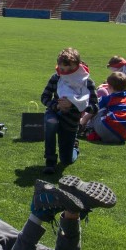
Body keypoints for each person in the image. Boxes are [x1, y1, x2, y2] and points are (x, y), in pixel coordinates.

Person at [41, 47, 97, 175]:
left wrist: (73, 104)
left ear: (78, 66)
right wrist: (57, 106)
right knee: (51, 121)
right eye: (62, 69)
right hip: (55, 113)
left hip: (71, 121)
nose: (65, 72)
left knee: (66, 160)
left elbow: (95, 107)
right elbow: (44, 98)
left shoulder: (86, 82)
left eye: (70, 69)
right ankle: (50, 160)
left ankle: (74, 147)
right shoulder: (56, 78)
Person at [83, 72, 126, 144]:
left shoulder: (107, 99)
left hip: (104, 130)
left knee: (97, 108)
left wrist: (83, 121)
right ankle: (93, 132)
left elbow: (93, 110)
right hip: (120, 137)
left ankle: (86, 129)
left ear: (109, 86)